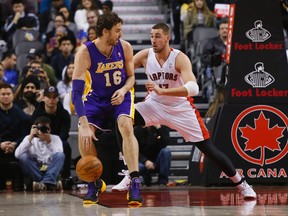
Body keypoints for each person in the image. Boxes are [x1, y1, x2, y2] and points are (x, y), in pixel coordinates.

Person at [131, 23, 256, 199]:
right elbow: (125, 71)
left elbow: (193, 88)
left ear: (167, 37)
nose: (154, 40)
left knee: (208, 148)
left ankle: (241, 184)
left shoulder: (179, 58)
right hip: (154, 104)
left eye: (158, 36)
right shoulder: (145, 55)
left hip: (180, 108)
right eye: (152, 36)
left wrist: (162, 90)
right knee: (122, 119)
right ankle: (131, 175)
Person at [72, 12, 142, 205]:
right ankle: (95, 182)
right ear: (105, 31)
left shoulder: (125, 47)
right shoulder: (85, 52)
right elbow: (76, 93)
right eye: (117, 31)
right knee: (84, 134)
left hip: (121, 95)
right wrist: (84, 124)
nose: (120, 34)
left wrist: (124, 89)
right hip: (96, 98)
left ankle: (135, 181)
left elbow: (131, 77)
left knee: (126, 126)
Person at [31, 86, 72, 186]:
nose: (51, 99)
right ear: (43, 98)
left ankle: (66, 176)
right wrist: (43, 138)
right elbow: (34, 132)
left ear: (58, 98)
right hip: (39, 140)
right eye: (49, 97)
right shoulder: (37, 112)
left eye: (54, 97)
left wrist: (51, 141)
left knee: (66, 146)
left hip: (57, 142)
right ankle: (33, 177)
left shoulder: (64, 114)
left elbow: (64, 134)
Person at [112, 124, 171, 191]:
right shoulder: (138, 129)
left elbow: (165, 143)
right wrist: (145, 161)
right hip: (142, 161)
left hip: (156, 160)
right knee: (137, 166)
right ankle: (145, 180)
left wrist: (159, 129)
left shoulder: (162, 127)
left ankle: (163, 181)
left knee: (166, 151)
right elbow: (134, 149)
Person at [15, 116, 65, 191]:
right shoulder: (29, 138)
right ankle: (48, 183)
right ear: (35, 128)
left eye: (45, 128)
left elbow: (59, 156)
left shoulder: (56, 138)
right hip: (35, 170)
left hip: (51, 169)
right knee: (23, 157)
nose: (42, 130)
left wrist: (49, 142)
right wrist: (31, 136)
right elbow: (17, 154)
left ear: (50, 129)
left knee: (60, 155)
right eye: (40, 128)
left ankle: (43, 183)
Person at [0, 83, 30, 191]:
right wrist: (1, 144)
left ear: (13, 95)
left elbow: (24, 135)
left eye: (8, 94)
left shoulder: (20, 115)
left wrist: (14, 144)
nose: (6, 96)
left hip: (16, 149)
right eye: (3, 94)